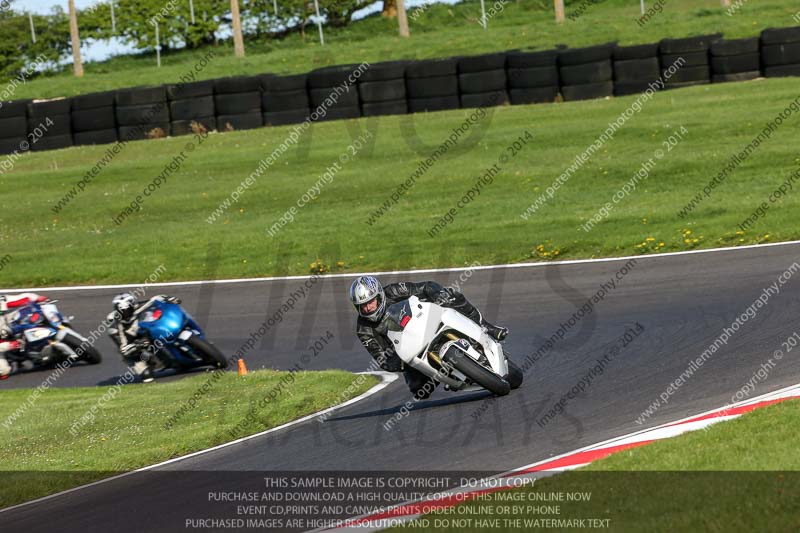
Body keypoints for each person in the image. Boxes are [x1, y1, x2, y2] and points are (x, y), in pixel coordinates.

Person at [349, 276, 508, 400]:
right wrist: (401, 362)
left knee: (452, 296)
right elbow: (382, 358)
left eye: (370, 302)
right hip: (410, 351)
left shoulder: (393, 291)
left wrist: (438, 294)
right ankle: (445, 376)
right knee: (419, 391)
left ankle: (486, 326)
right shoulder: (364, 330)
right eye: (362, 306)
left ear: (379, 296)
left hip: (426, 323)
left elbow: (425, 286)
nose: (368, 308)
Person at [107, 292, 181, 383]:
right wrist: (137, 345)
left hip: (149, 335)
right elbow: (124, 350)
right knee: (147, 376)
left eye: (128, 310)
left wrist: (170, 299)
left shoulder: (138, 307)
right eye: (122, 311)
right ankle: (157, 365)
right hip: (135, 353)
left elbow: (155, 299)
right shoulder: (114, 328)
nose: (126, 314)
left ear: (132, 306)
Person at [0, 293, 47, 379]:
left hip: (6, 327)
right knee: (3, 372)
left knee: (25, 314)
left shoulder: (1, 300)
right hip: (1, 347)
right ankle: (14, 358)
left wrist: (37, 298)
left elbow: (20, 298)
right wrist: (9, 345)